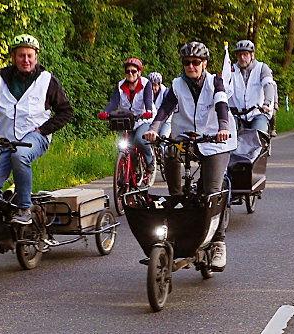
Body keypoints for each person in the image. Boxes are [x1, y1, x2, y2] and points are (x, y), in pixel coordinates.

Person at [0, 34, 74, 227]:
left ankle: (24, 208)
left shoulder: (46, 80)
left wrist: (43, 129)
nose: (26, 60)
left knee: (21, 156)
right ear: (13, 57)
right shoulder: (2, 79)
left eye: (30, 56)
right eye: (21, 56)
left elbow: (66, 112)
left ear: (36, 57)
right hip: (5, 140)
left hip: (35, 137)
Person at [144, 41, 236, 271]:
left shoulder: (215, 81)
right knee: (171, 157)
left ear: (204, 64)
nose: (191, 66)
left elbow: (222, 105)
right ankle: (177, 203)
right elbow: (165, 109)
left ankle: (219, 243)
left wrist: (223, 127)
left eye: (196, 62)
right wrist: (154, 129)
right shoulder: (176, 85)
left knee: (212, 189)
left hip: (216, 140)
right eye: (187, 63)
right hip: (185, 137)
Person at [101, 58, 156, 176]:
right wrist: (106, 112)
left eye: (134, 71)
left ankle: (149, 160)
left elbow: (148, 100)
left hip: (143, 119)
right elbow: (113, 102)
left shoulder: (146, 84)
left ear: (139, 73)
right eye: (128, 71)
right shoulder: (120, 86)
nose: (130, 74)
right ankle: (130, 169)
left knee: (139, 140)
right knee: (123, 144)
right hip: (126, 120)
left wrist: (148, 111)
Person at [228, 39, 275, 134]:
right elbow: (222, 88)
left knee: (258, 135)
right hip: (237, 114)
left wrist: (266, 103)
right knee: (230, 137)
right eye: (239, 54)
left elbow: (268, 85)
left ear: (252, 55)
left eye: (245, 54)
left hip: (257, 113)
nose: (242, 57)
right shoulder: (231, 70)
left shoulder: (262, 68)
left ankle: (262, 147)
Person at [148, 72, 172, 138]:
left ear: (159, 85)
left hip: (166, 121)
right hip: (152, 121)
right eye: (151, 85)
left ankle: (164, 148)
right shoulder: (147, 94)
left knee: (163, 139)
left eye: (155, 85)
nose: (153, 88)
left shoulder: (166, 93)